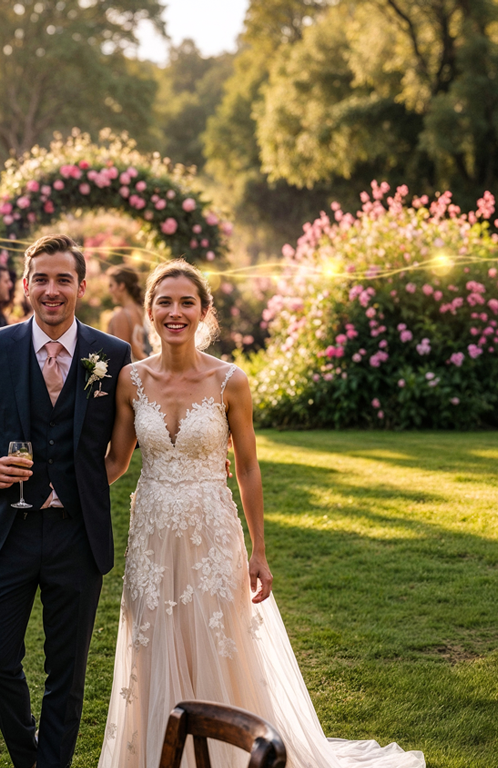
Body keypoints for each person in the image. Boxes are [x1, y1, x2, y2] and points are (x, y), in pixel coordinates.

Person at [98, 260, 424, 768]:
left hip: (212, 531)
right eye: (164, 302)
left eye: (187, 302)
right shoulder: (129, 380)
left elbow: (247, 468)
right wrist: (63, 485)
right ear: (150, 311)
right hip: (153, 535)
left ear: (204, 312)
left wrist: (260, 551)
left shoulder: (230, 381)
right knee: (153, 642)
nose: (175, 312)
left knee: (218, 642)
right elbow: (116, 461)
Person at [0, 234, 133, 768]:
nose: (52, 291)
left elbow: (125, 442)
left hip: (76, 535)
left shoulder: (111, 356)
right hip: (6, 533)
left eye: (64, 279)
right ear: (26, 285)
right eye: (42, 279)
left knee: (66, 676)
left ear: (81, 285)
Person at [105, 264, 150, 360]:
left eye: (111, 285)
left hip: (128, 372)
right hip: (140, 367)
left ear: (121, 286)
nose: (109, 290)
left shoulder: (122, 316)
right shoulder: (139, 310)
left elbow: (119, 356)